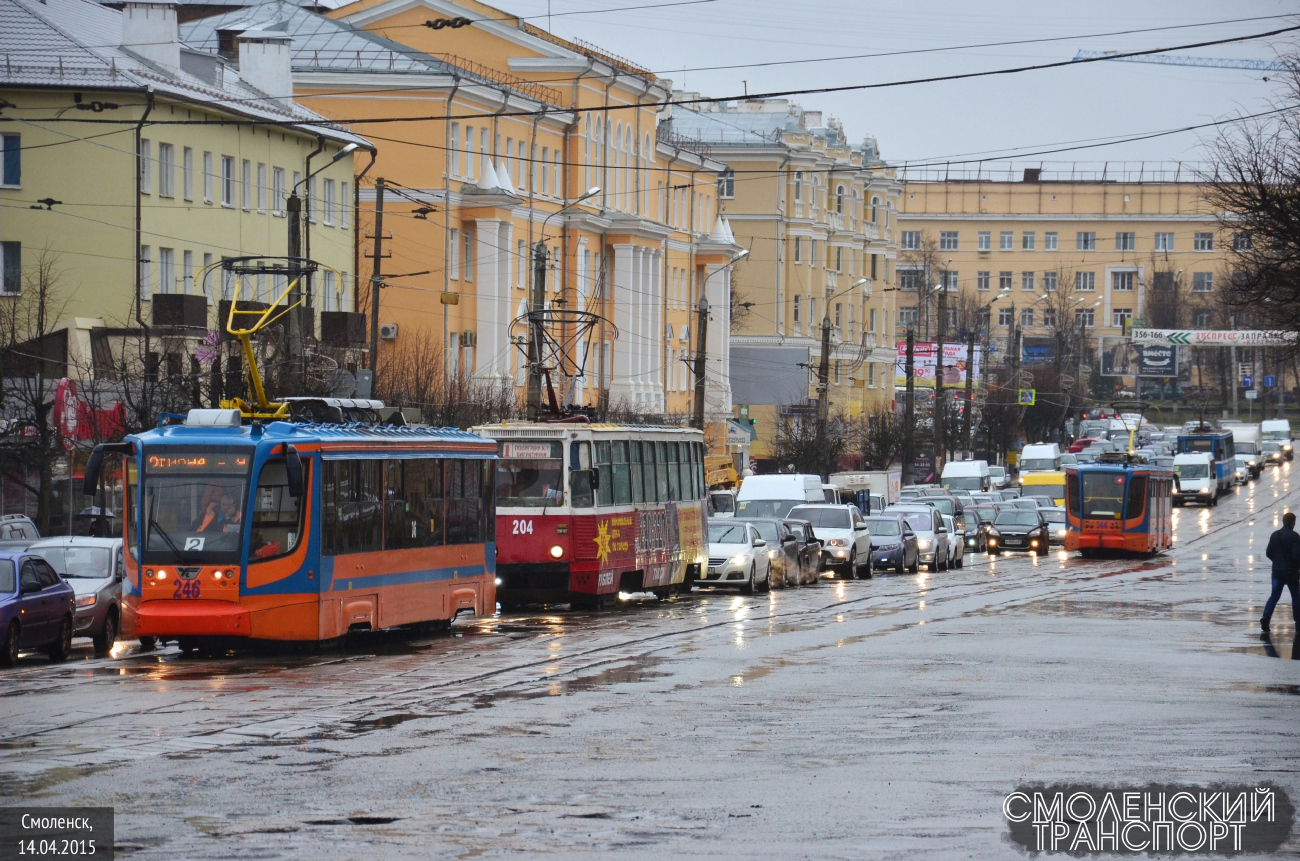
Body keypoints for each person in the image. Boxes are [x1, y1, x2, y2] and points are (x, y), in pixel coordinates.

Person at [1262, 511, 1300, 631]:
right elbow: (1296, 555)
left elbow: (1268, 553)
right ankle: (1298, 622)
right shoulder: (1295, 537)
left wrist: (1278, 562)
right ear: (1292, 523)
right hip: (1291, 572)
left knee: (1274, 595)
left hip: (1277, 571)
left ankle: (1266, 618)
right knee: (1296, 597)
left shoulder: (1275, 535)